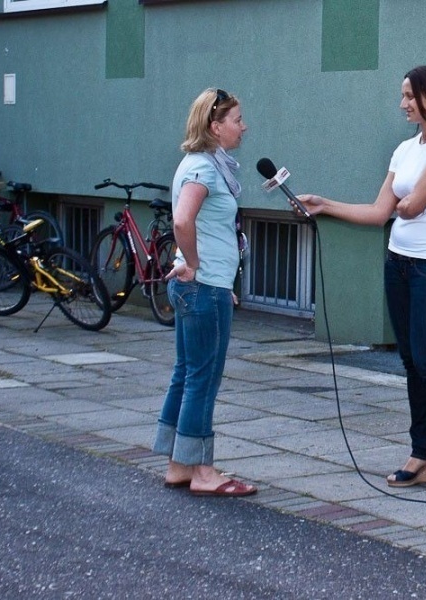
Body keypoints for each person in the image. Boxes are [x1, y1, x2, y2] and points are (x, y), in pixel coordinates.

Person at [298, 65, 426, 498]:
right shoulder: (404, 150)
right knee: (411, 362)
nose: (402, 104)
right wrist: (324, 204)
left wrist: (404, 202)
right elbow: (381, 212)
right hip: (399, 261)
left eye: (408, 96)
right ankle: (424, 455)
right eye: (402, 96)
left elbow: (414, 206)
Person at [152, 88, 257, 497]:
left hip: (205, 287)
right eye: (236, 120)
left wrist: (210, 276)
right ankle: (203, 472)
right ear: (215, 127)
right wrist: (197, 267)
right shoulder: (205, 169)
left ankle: (179, 464)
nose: (243, 126)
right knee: (202, 379)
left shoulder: (199, 163)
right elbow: (182, 222)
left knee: (187, 373)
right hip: (202, 285)